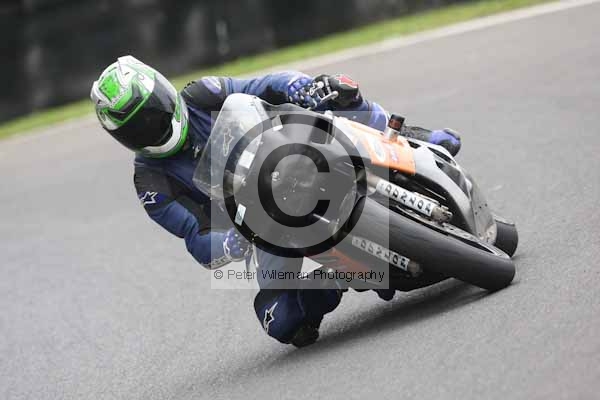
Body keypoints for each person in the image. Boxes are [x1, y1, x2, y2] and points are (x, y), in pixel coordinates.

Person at [90, 55, 461, 347]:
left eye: (154, 111)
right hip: (260, 224)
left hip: (291, 149)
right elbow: (196, 239)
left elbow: (263, 85)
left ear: (164, 91)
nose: (151, 126)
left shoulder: (201, 94)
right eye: (137, 128)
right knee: (282, 322)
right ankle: (341, 276)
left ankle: (412, 137)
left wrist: (300, 87)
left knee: (340, 91)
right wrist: (230, 243)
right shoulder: (150, 183)